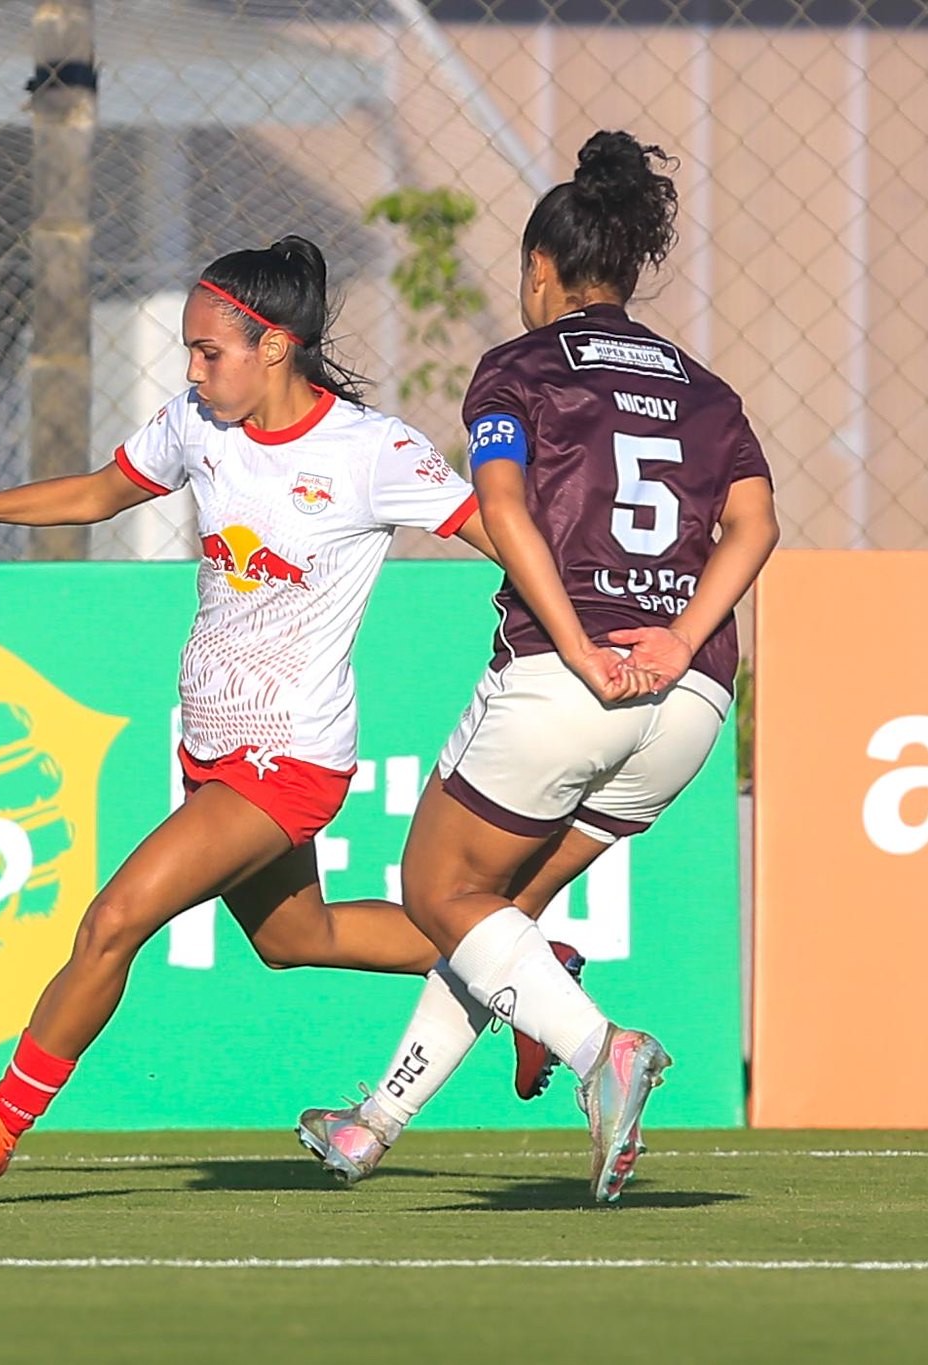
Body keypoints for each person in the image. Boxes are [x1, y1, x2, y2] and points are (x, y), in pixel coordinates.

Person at [0, 235, 499, 1186]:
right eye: (192, 352)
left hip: (288, 760)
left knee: (114, 918)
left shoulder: (372, 451)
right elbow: (100, 492)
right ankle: (525, 970)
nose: (193, 370)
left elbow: (498, 532)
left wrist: (588, 629)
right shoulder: (199, 423)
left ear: (275, 346)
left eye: (210, 351)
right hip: (208, 742)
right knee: (295, 940)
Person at [295, 131, 780, 1204]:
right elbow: (753, 524)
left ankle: (599, 1048)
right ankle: (371, 1125)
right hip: (689, 695)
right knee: (493, 924)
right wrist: (675, 635)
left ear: (538, 270)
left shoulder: (518, 366)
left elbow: (502, 506)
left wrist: (573, 644)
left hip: (571, 681)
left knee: (437, 890)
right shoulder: (704, 390)